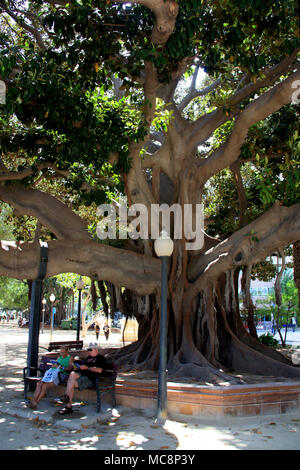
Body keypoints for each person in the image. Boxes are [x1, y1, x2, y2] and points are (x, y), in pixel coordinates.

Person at [59, 343, 107, 415]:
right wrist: (79, 367)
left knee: (71, 383)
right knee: (72, 374)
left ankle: (68, 404)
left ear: (96, 350)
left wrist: (87, 368)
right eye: (88, 350)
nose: (89, 351)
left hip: (90, 378)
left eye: (90, 349)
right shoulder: (88, 358)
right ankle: (67, 398)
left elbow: (99, 370)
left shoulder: (101, 358)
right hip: (82, 374)